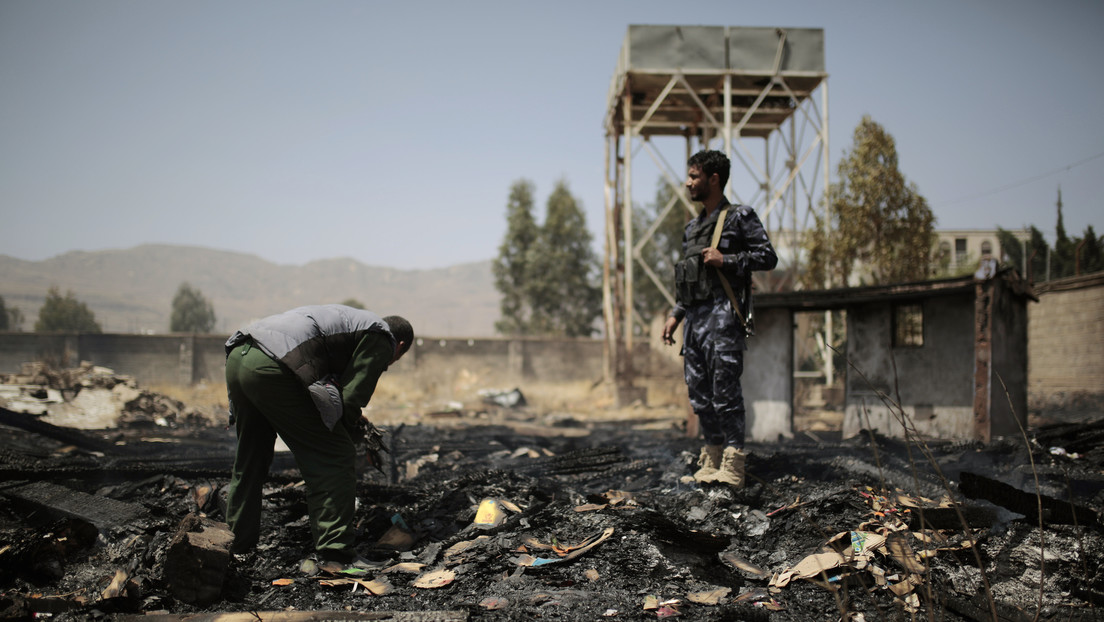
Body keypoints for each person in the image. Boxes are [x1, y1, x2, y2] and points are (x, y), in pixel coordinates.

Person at [223, 304, 413, 565]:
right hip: (272, 365)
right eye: (394, 361)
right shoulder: (382, 338)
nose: (387, 365)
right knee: (335, 455)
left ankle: (236, 548)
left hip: (240, 355)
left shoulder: (350, 325)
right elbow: (349, 402)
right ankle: (336, 555)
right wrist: (350, 435)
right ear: (400, 346)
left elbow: (325, 386)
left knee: (250, 459)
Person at [662, 150, 777, 488]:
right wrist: (675, 316)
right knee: (699, 395)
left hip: (724, 319)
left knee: (725, 394)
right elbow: (690, 281)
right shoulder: (692, 228)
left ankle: (734, 461)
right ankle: (711, 456)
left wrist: (727, 260)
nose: (688, 183)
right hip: (695, 324)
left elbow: (767, 257)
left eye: (694, 177)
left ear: (713, 179)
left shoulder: (740, 216)